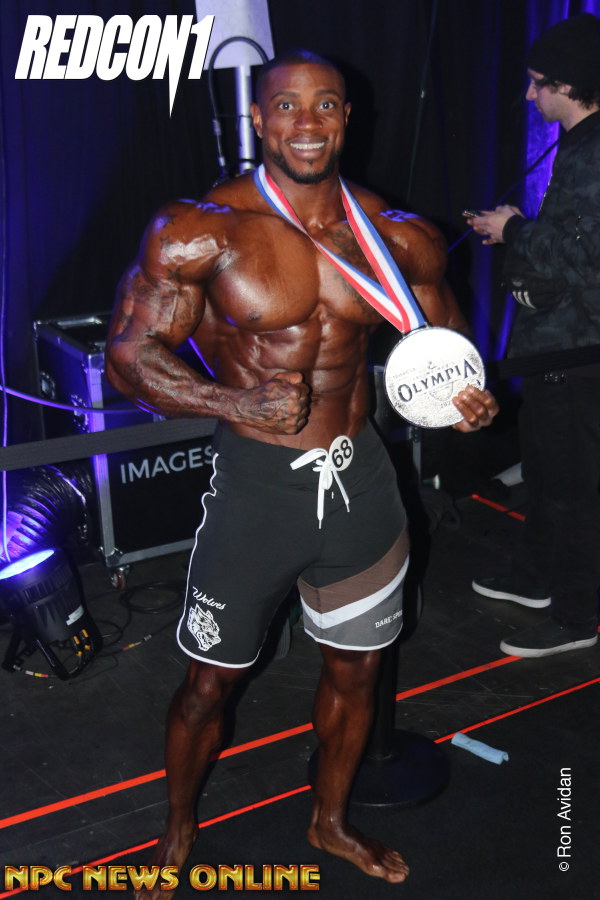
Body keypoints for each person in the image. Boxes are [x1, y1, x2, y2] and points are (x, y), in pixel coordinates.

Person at [106, 49, 498, 898]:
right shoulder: (200, 229)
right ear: (259, 119)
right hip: (258, 489)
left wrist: (467, 399)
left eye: (326, 105)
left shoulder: (399, 235)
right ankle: (178, 830)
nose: (307, 123)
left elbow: (450, 352)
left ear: (348, 118)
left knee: (358, 673)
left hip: (362, 485)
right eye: (287, 106)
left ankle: (329, 820)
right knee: (208, 686)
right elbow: (128, 359)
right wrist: (232, 401)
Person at [465, 14, 600, 658]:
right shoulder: (579, 143)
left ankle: (576, 618)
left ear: (567, 85)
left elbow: (589, 260)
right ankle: (537, 579)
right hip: (556, 347)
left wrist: (514, 230)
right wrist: (515, 231)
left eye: (537, 82)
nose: (529, 94)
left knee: (573, 486)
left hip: (580, 351)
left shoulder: (596, 151)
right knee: (547, 473)